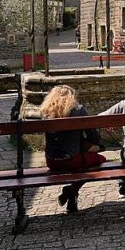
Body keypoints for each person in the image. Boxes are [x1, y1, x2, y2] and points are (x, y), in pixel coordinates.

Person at [39, 85, 106, 214]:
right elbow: (94, 137)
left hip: (52, 161)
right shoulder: (78, 110)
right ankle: (71, 190)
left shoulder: (45, 112)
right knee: (100, 160)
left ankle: (72, 200)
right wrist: (93, 145)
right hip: (72, 160)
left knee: (84, 161)